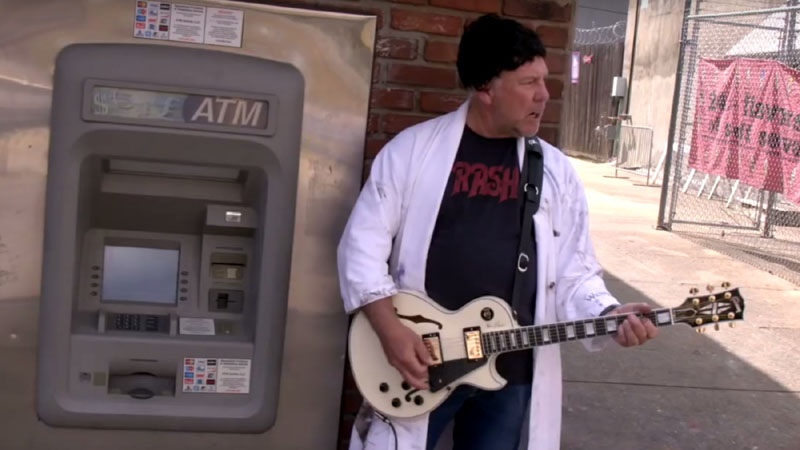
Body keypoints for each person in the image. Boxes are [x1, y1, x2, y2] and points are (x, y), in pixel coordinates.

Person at [337, 13, 658, 450]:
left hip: (511, 370)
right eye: (529, 82)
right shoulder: (412, 152)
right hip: (422, 362)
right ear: (486, 87)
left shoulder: (555, 171)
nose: (544, 94)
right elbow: (361, 248)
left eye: (545, 80)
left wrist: (607, 313)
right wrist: (390, 330)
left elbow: (575, 270)